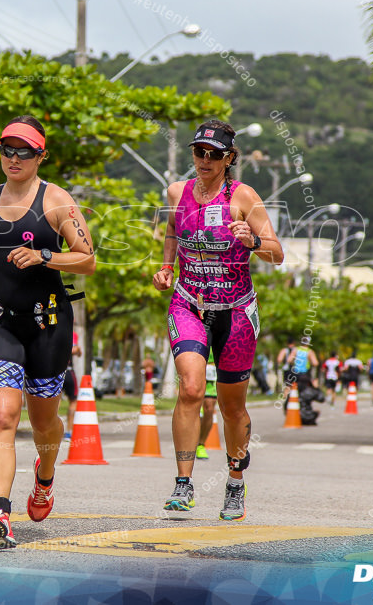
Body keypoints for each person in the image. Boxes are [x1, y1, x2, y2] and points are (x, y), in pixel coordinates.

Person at [0, 115, 96, 548]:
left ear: (41, 156)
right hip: (0, 318)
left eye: (24, 151)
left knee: (43, 424)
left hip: (48, 323)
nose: (13, 158)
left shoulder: (56, 201)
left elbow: (87, 259)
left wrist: (43, 255)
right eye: (6, 149)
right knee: (1, 416)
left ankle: (44, 475)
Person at [152, 120, 283, 521]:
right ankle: (183, 483)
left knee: (232, 408)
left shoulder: (244, 197)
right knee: (191, 388)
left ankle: (235, 483)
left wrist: (253, 241)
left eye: (214, 155)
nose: (204, 161)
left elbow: (277, 253)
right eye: (199, 152)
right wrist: (166, 266)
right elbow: (172, 230)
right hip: (189, 303)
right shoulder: (177, 192)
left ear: (229, 158)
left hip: (236, 311)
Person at [196, 360, 218, 459]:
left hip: (212, 371)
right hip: (195, 366)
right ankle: (190, 443)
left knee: (209, 409)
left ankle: (201, 445)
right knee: (193, 409)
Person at [63, 332, 83, 440]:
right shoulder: (72, 334)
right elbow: (74, 350)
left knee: (54, 402)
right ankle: (68, 432)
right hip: (68, 371)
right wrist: (78, 350)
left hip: (54, 372)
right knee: (73, 401)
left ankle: (65, 431)